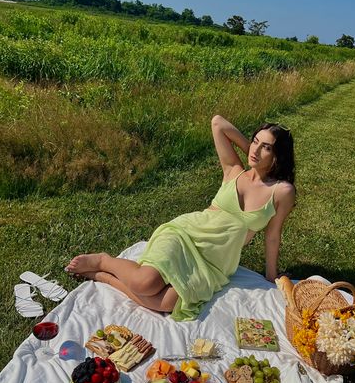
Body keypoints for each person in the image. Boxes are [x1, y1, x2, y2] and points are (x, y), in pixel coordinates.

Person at [65, 115, 296, 321]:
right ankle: (104, 261)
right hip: (186, 234)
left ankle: (103, 277)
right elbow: (217, 122)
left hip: (213, 262)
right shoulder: (234, 170)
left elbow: (272, 236)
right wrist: (251, 151)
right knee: (146, 284)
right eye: (255, 141)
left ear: (277, 156)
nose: (255, 150)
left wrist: (271, 275)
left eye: (266, 148)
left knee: (165, 304)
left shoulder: (281, 191)